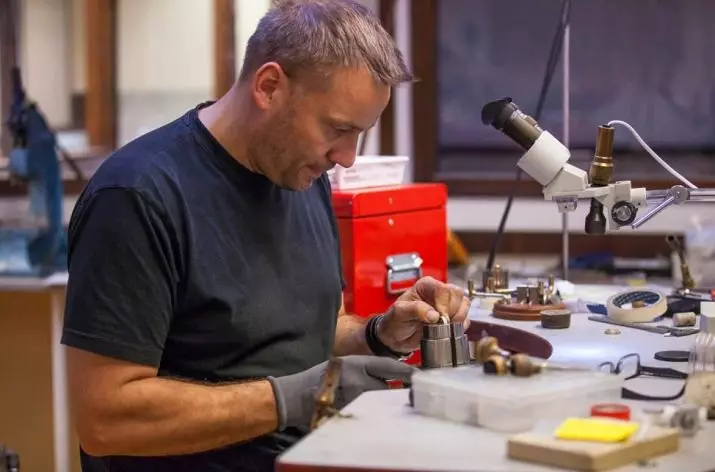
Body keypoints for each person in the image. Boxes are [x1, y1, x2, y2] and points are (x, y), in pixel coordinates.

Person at [61, 0, 471, 471]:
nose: (348, 158)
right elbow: (105, 419)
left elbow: (312, 331)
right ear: (269, 86)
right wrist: (299, 395)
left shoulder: (301, 177)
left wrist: (382, 332)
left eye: (360, 134)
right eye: (337, 129)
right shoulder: (137, 196)